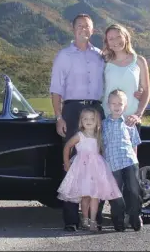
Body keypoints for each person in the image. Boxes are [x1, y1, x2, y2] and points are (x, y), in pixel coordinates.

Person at [50, 13, 106, 231]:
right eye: (80, 25)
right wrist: (59, 117)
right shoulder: (64, 55)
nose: (84, 28)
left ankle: (94, 217)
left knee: (97, 163)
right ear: (73, 29)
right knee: (72, 163)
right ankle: (71, 219)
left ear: (93, 30)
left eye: (88, 26)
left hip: (97, 110)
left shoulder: (100, 55)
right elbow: (56, 89)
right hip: (72, 110)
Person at [101, 23, 150, 227]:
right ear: (107, 42)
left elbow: (146, 91)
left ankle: (134, 213)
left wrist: (138, 114)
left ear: (126, 37)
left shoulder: (139, 61)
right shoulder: (105, 60)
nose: (115, 41)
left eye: (118, 37)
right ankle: (117, 215)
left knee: (131, 172)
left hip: (129, 123)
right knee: (112, 172)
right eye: (110, 38)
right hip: (108, 123)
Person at [57, 108, 122, 232]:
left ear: (97, 122)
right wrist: (66, 163)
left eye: (92, 119)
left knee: (95, 196)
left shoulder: (99, 136)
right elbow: (67, 146)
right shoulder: (79, 135)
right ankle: (85, 220)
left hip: (96, 168)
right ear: (81, 121)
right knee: (85, 196)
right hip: (82, 168)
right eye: (85, 119)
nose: (89, 121)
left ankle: (93, 221)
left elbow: (101, 151)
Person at [102, 89, 143, 232]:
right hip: (113, 164)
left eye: (120, 103)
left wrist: (135, 161)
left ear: (125, 106)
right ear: (108, 105)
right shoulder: (103, 125)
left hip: (129, 161)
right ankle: (118, 220)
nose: (116, 106)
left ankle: (135, 216)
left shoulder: (129, 123)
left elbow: (134, 143)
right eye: (113, 103)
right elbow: (102, 145)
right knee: (116, 193)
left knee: (133, 189)